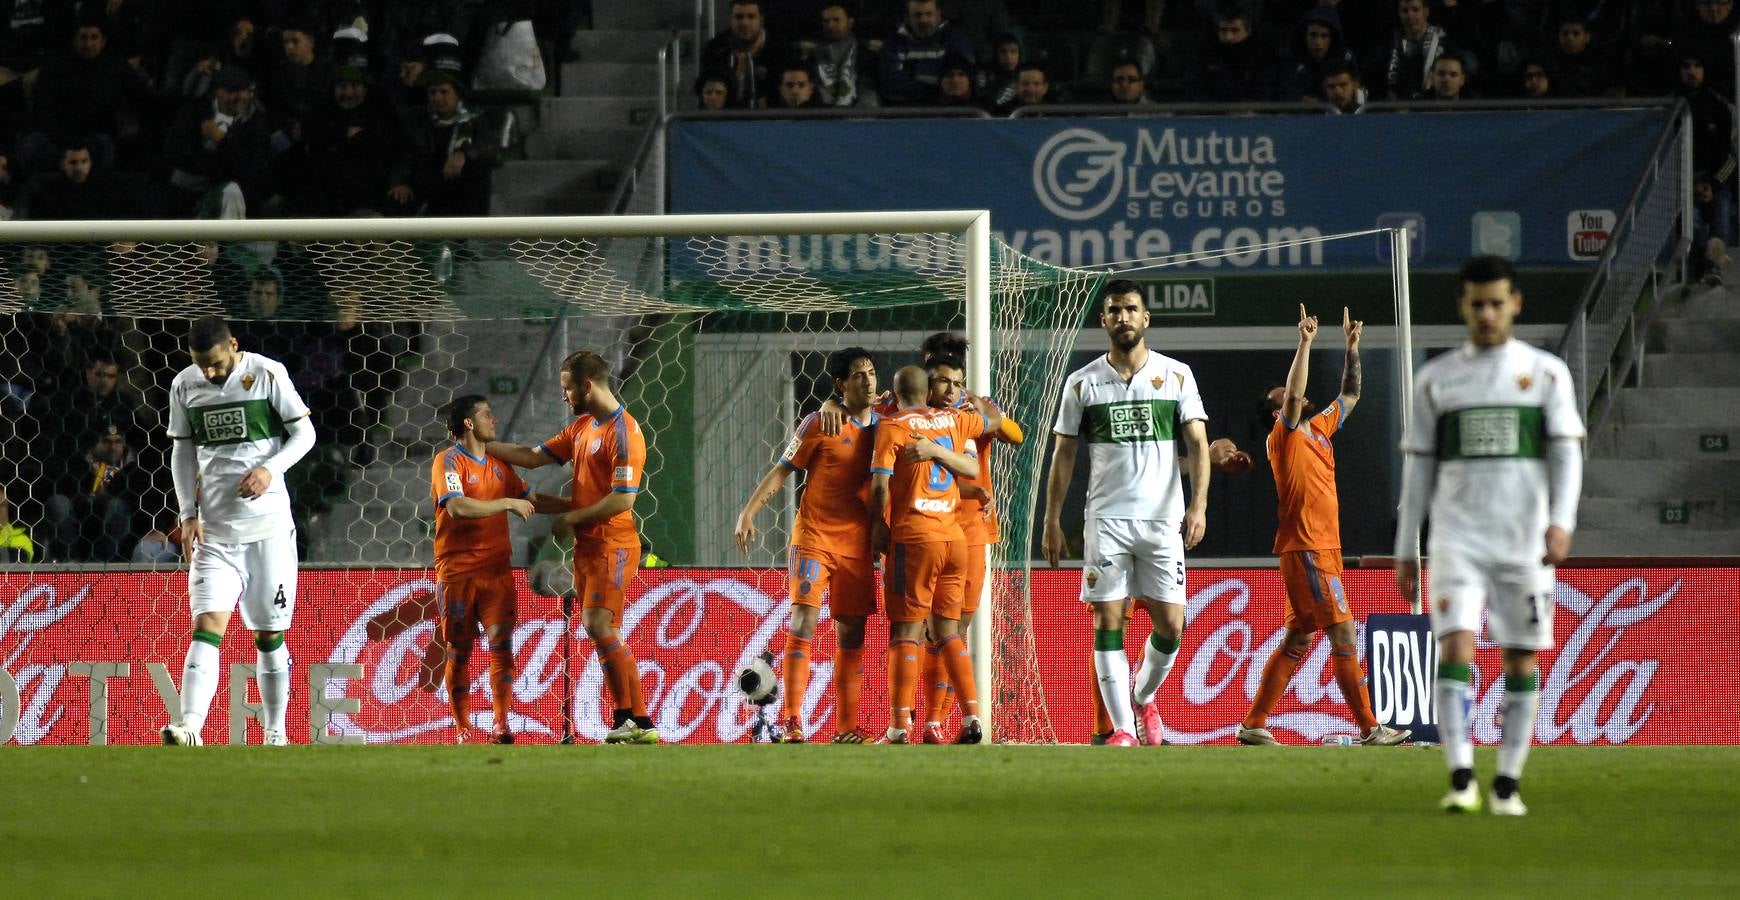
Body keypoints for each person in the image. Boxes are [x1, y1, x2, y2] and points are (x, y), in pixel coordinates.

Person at [1394, 255, 1585, 816]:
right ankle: (1460, 777)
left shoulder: (1546, 373)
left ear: (1515, 304)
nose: (1486, 313)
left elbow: (1566, 455)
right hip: (1457, 541)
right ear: (1463, 306)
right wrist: (1408, 547)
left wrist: (1562, 522)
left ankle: (1506, 781)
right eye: (1477, 304)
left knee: (1519, 658)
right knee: (1455, 645)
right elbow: (1418, 470)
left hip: (1522, 541)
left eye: (1496, 303)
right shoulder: (1438, 379)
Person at [1043, 279, 1211, 747]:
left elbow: (1197, 444)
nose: (1123, 317)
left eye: (1131, 309)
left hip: (1163, 520)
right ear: (1104, 320)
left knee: (1172, 626)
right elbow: (1064, 455)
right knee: (1107, 620)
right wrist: (1052, 519)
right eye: (1114, 310)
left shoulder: (1177, 375)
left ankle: (1142, 696)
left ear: (1146, 318)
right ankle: (1121, 730)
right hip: (1106, 520)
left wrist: (1198, 505)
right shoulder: (1082, 383)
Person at [1237, 304, 1410, 747]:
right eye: (1282, 396)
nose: (1292, 396)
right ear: (1276, 413)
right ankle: (1370, 728)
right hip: (1308, 547)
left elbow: (1350, 395)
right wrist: (1306, 342)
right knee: (1343, 630)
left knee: (1298, 638)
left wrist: (1352, 348)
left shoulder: (1319, 430)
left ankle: (1254, 724)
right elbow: (1293, 398)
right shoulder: (1285, 434)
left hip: (1319, 548)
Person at [160, 316, 317, 747]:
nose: (209, 373)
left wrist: (270, 469)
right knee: (207, 625)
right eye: (200, 364)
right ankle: (190, 726)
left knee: (268, 637)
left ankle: (275, 731)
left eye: (214, 363)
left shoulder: (268, 374)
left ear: (233, 344)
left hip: (268, 531)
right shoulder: (184, 385)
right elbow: (182, 451)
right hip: (214, 533)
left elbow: (305, 433)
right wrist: (187, 513)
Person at [488, 351, 658, 744]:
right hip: (588, 547)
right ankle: (639, 722)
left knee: (597, 625)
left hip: (613, 544)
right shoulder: (583, 428)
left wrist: (570, 518)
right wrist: (485, 444)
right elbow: (532, 458)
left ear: (586, 386)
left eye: (566, 388)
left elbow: (623, 499)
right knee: (605, 629)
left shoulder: (624, 431)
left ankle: (630, 718)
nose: (563, 396)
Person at [734, 347, 880, 744]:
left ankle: (847, 728)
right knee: (804, 621)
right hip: (814, 537)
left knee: (851, 635)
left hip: (859, 546)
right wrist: (749, 512)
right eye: (857, 375)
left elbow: (917, 399)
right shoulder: (819, 423)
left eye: (870, 373)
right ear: (840, 383)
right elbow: (782, 470)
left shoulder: (888, 425)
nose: (867, 381)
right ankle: (792, 720)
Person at [870, 365, 998, 744]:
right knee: (948, 631)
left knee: (905, 632)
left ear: (895, 395)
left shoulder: (891, 427)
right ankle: (973, 716)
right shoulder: (954, 419)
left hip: (914, 537)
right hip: (955, 539)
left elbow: (880, 483)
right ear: (928, 392)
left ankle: (898, 726)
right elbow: (992, 424)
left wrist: (879, 524)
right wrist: (977, 402)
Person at [915, 348, 1022, 743]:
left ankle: (938, 721)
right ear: (926, 379)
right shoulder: (910, 415)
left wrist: (987, 412)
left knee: (954, 629)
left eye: (957, 381)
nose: (950, 389)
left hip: (973, 533)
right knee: (928, 631)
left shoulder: (974, 409)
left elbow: (1016, 435)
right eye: (942, 380)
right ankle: (926, 720)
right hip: (924, 530)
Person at [430, 394, 549, 744]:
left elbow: (532, 500)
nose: (493, 420)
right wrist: (508, 502)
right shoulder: (448, 461)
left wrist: (578, 507)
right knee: (459, 650)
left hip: (497, 571)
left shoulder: (499, 465)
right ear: (469, 423)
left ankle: (501, 723)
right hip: (458, 572)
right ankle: (463, 727)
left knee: (501, 643)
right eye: (486, 415)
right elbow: (457, 508)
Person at [879, 0, 977, 106]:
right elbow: (890, 83)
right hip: (905, 111)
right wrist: (937, 87)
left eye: (929, 14)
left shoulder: (955, 38)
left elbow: (962, 82)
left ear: (938, 14)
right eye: (917, 15)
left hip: (949, 108)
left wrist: (916, 79)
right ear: (908, 17)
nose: (923, 20)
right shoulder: (894, 43)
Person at [702, 0, 787, 108]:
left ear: (761, 19)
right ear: (731, 19)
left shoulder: (780, 48)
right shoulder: (715, 48)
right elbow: (707, 92)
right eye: (739, 17)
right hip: (725, 119)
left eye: (751, 17)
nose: (744, 23)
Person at [813, 3, 875, 106]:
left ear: (850, 22)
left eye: (836, 20)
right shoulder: (814, 57)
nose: (830, 25)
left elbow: (869, 91)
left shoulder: (866, 56)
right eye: (826, 21)